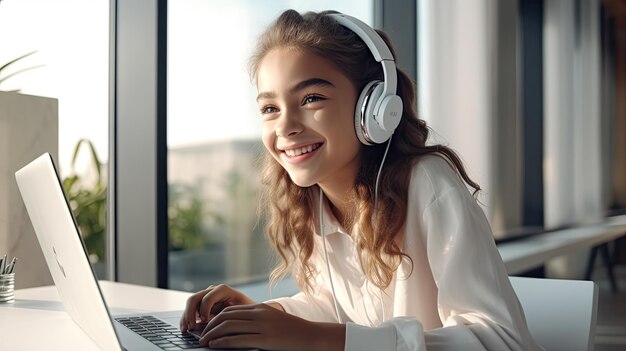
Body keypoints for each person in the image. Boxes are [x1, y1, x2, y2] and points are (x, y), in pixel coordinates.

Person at [180, 9, 543, 351]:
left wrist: (319, 340)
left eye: (311, 98)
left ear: (375, 109)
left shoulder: (428, 184)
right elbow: (341, 309)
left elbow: (501, 340)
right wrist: (270, 315)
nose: (286, 127)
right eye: (270, 109)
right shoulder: (313, 200)